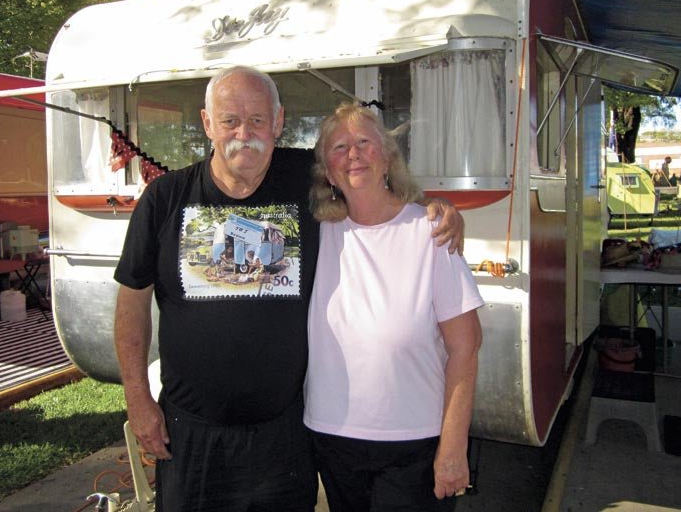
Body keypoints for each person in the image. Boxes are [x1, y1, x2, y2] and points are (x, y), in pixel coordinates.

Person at [113, 66, 464, 511]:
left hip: (283, 437)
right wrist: (137, 398)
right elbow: (131, 305)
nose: (245, 132)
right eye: (230, 120)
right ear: (207, 123)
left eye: (258, 119)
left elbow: (368, 182)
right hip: (192, 436)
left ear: (278, 122)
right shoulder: (165, 199)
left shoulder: (305, 180)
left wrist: (434, 209)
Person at [305, 103, 484, 512]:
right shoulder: (317, 235)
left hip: (414, 445)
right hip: (333, 439)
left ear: (387, 157)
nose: (353, 154)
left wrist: (453, 447)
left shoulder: (431, 231)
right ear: (329, 174)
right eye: (339, 148)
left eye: (365, 142)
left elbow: (466, 347)